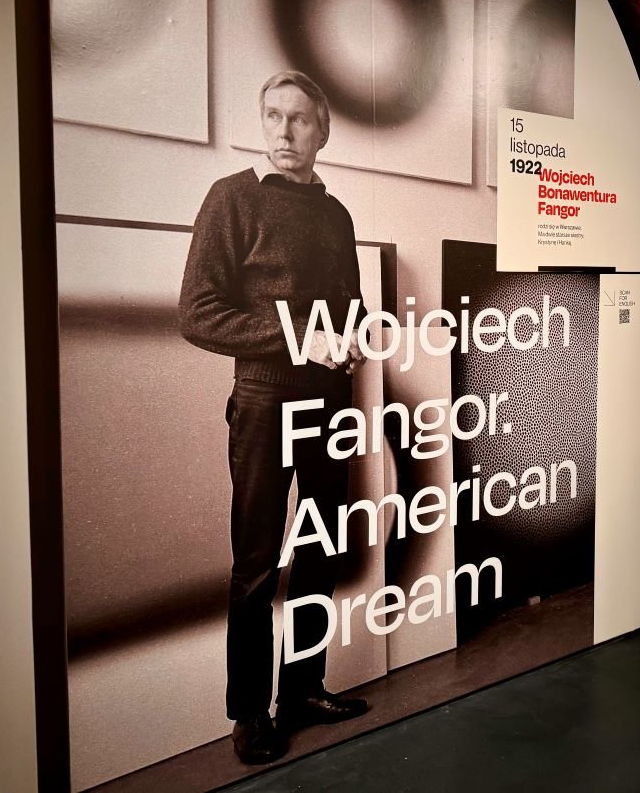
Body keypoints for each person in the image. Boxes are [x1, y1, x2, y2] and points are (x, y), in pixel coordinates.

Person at [180, 71, 370, 765]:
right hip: (263, 401)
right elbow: (198, 313)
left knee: (322, 545)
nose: (284, 131)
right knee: (257, 562)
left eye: (299, 119)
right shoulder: (231, 197)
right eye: (272, 116)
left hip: (330, 402)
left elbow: (349, 307)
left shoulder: (337, 214)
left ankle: (303, 689)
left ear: (323, 131)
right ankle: (249, 712)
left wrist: (355, 336)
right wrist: (297, 340)